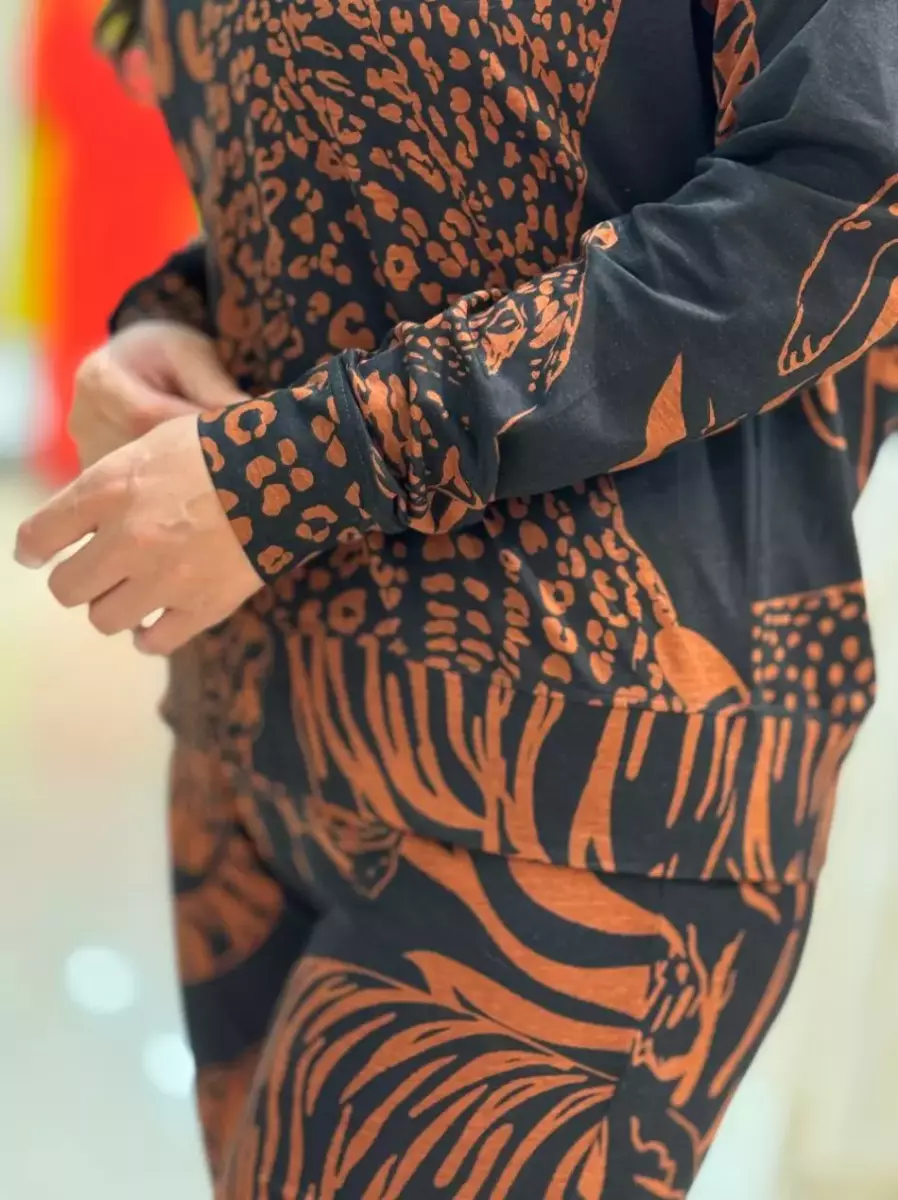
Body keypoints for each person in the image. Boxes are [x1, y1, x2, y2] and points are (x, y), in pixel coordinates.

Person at [15, 0, 898, 1194]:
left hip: (578, 761)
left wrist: (311, 461)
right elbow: (363, 173)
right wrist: (171, 318)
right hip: (261, 707)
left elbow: (846, 191)